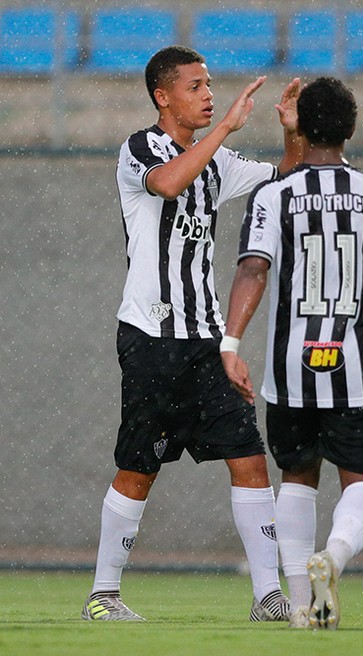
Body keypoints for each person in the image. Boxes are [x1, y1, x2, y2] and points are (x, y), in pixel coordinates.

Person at [82, 45, 304, 622]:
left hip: (207, 342)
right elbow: (168, 184)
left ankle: (268, 597)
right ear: (163, 96)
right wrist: (226, 126)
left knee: (249, 458)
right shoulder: (141, 148)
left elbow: (286, 176)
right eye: (195, 86)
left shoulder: (218, 160)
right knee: (139, 468)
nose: (208, 95)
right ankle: (103, 596)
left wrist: (291, 132)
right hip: (151, 338)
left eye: (209, 85)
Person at [219, 76, 363, 631]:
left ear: (300, 126)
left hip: (291, 370)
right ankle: (336, 556)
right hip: (357, 371)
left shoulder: (274, 195)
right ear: (351, 128)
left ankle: (301, 603)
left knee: (298, 477)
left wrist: (230, 343)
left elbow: (253, 268)